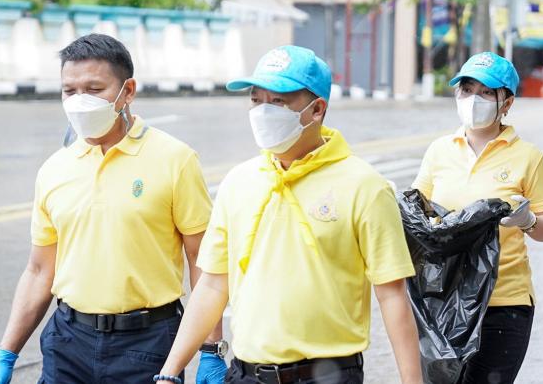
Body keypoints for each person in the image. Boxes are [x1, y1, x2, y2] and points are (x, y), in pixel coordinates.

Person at [151, 45, 423, 384]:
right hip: (247, 374)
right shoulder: (238, 182)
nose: (263, 111)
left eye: (278, 101)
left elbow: (391, 294)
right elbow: (213, 283)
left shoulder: (365, 186)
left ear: (316, 109)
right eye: (256, 100)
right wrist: (170, 371)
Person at [0, 34, 227, 384]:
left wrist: (211, 348)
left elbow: (202, 260)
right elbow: (39, 270)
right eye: (70, 91)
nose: (80, 101)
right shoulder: (55, 168)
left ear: (128, 91)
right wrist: (6, 354)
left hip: (146, 343)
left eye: (94, 89)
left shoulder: (175, 159)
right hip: (67, 341)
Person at [411, 52, 543, 384]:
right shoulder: (439, 151)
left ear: (506, 103)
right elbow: (417, 210)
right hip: (443, 300)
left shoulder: (528, 157)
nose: (473, 99)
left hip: (504, 305)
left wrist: (528, 221)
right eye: (467, 90)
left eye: (486, 92)